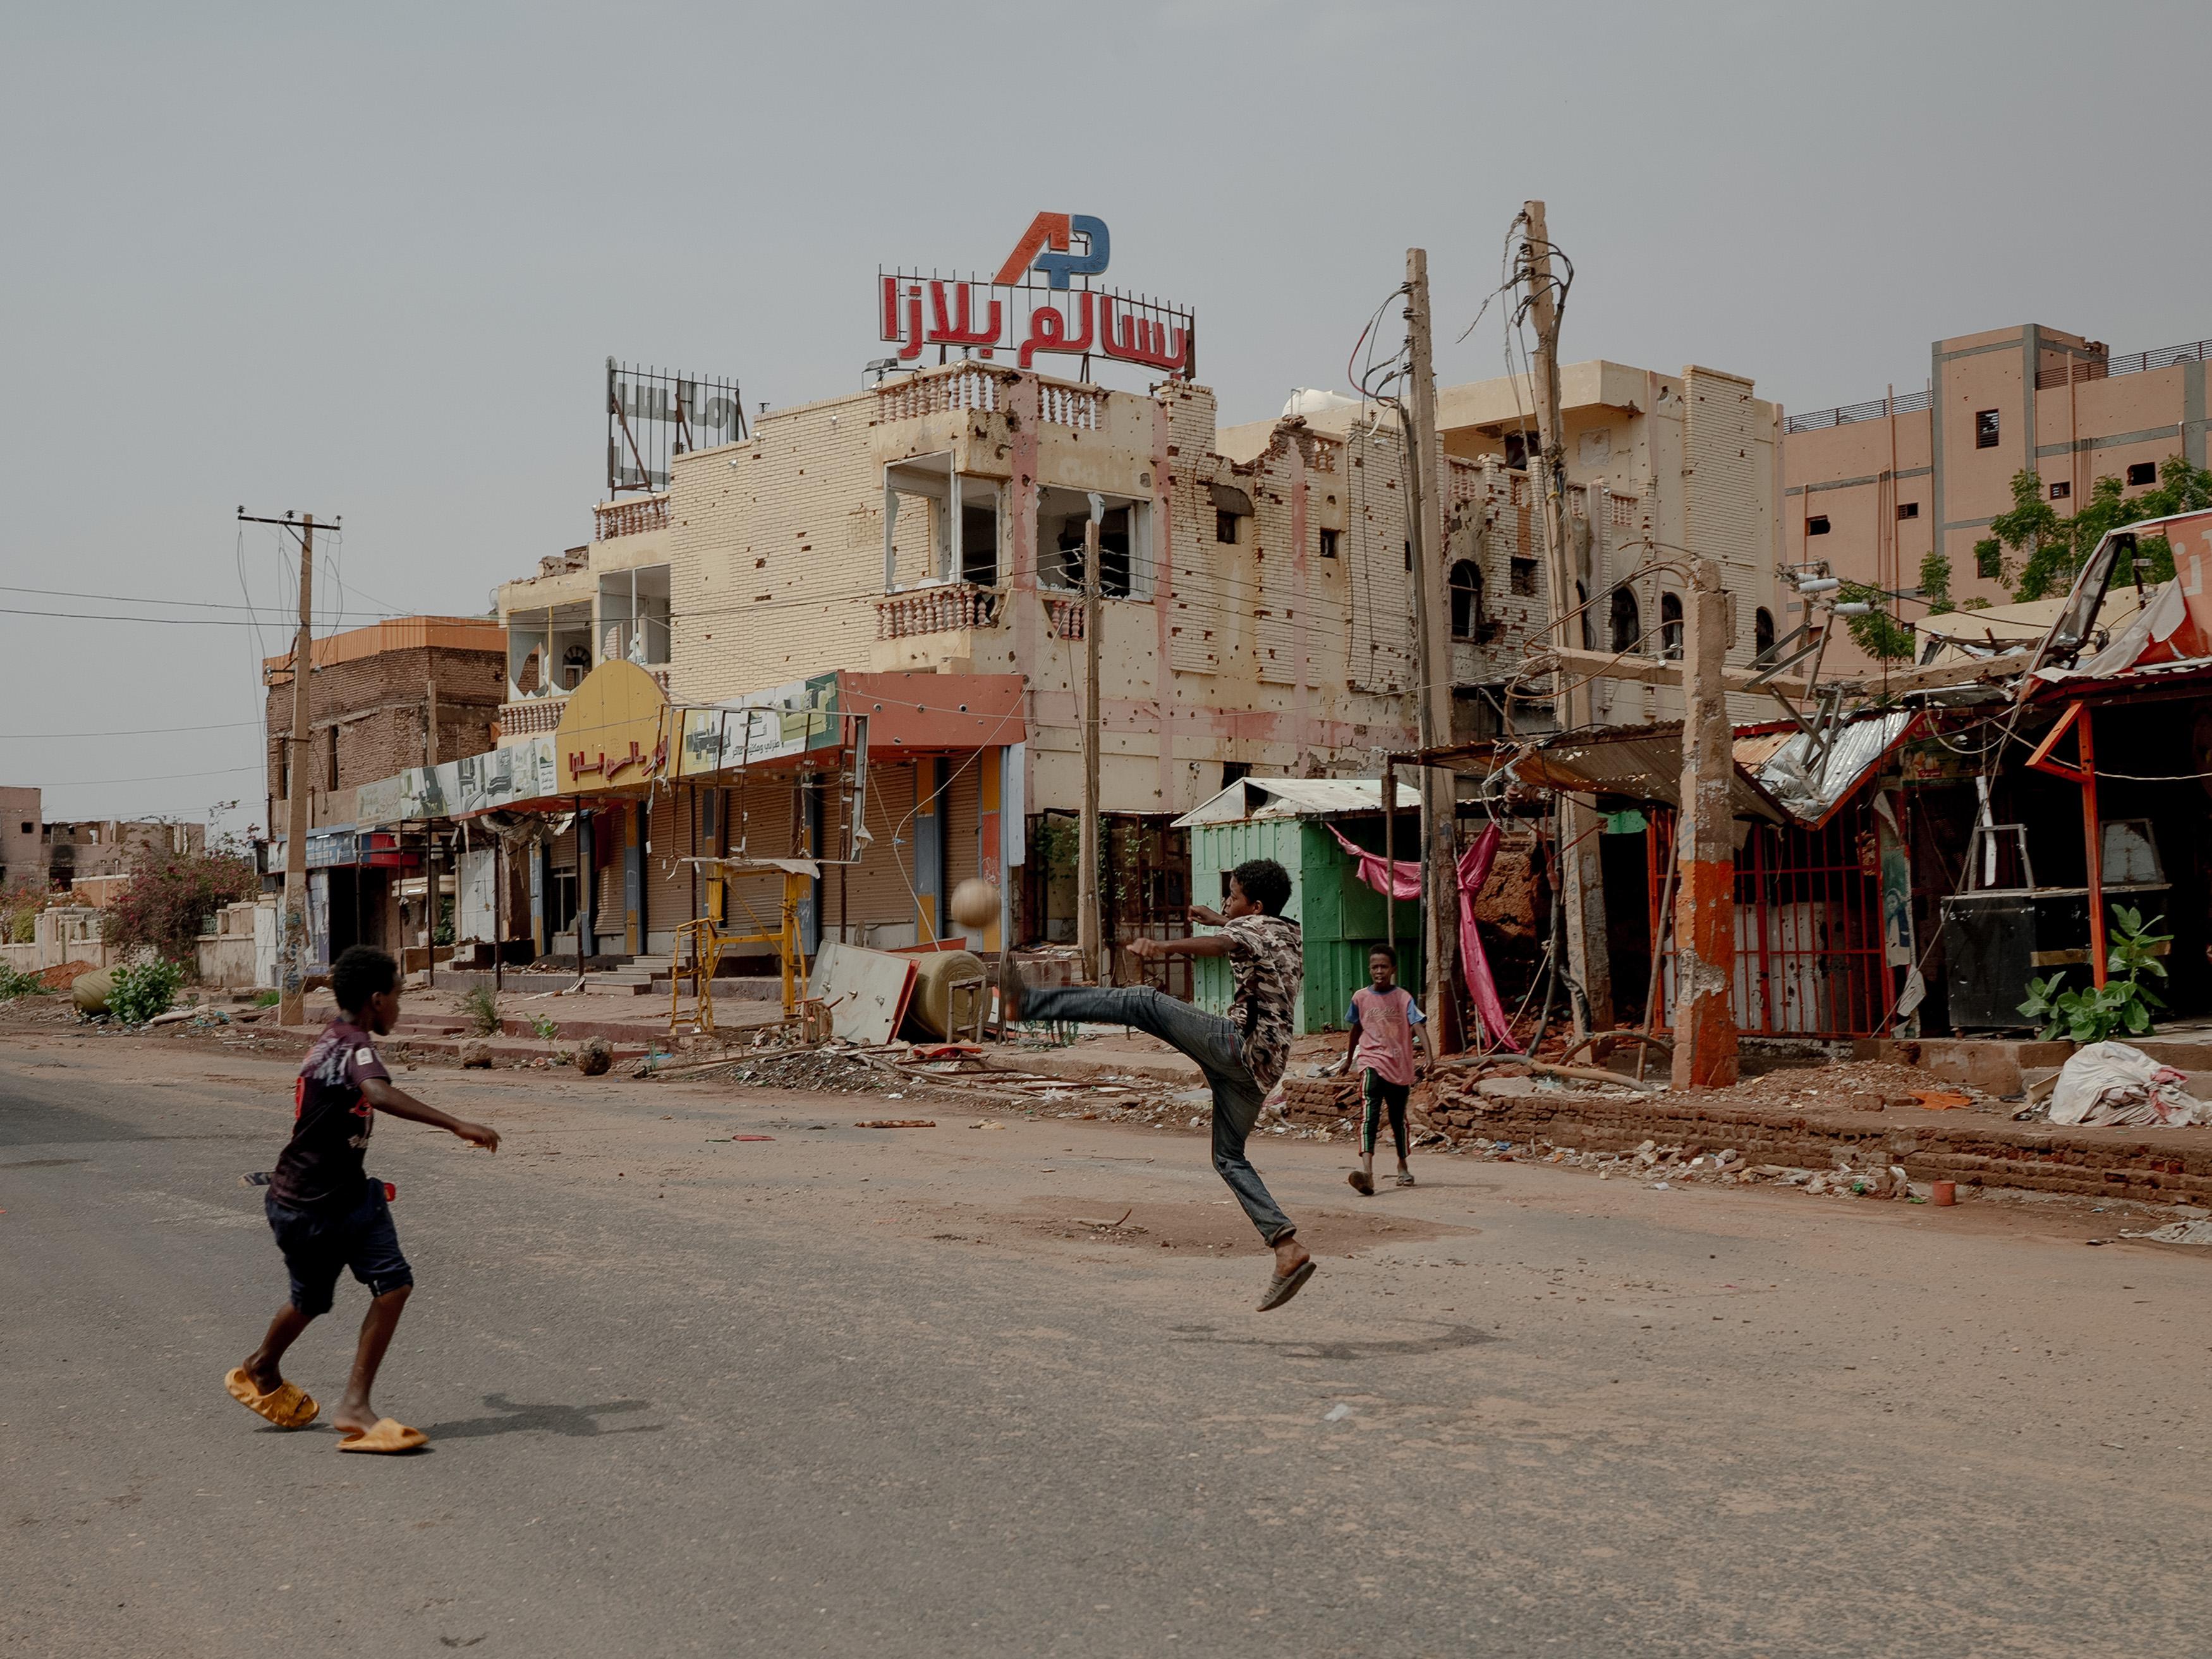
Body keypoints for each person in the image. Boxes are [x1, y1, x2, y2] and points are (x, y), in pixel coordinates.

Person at [1003, 858, 1314, 1311]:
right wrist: (1221, 916)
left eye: (1233, 894)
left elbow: (1222, 941)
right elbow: (1236, 930)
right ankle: (1288, 1249)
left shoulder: (1252, 929)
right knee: (1228, 1158)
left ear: (1256, 904)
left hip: (1237, 1047)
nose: (1227, 900)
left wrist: (1163, 946)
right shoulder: (1287, 930)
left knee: (1142, 1001)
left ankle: (1026, 1001)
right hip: (1263, 1069)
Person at [226, 945, 499, 1452]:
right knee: (312, 1300)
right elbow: (378, 1094)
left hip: (331, 1195)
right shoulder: (356, 1046)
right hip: (311, 1203)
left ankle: (341, 1397)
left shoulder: (334, 1037)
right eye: (398, 997)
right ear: (376, 1000)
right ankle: (269, 1366)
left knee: (388, 1285)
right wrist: (456, 1123)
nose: (399, 1007)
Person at [1337, 944, 1431, 1195]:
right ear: (1370, 969)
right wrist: (1349, 1060)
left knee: (1398, 1119)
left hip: (1399, 1066)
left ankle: (1403, 1165)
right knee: (1369, 1115)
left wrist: (1429, 1056)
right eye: (1375, 967)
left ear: (1393, 969)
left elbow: (1418, 1025)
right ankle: (1367, 1173)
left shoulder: (1403, 998)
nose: (1379, 971)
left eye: (1384, 967)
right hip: (1370, 1063)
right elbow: (1355, 1029)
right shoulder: (1360, 998)